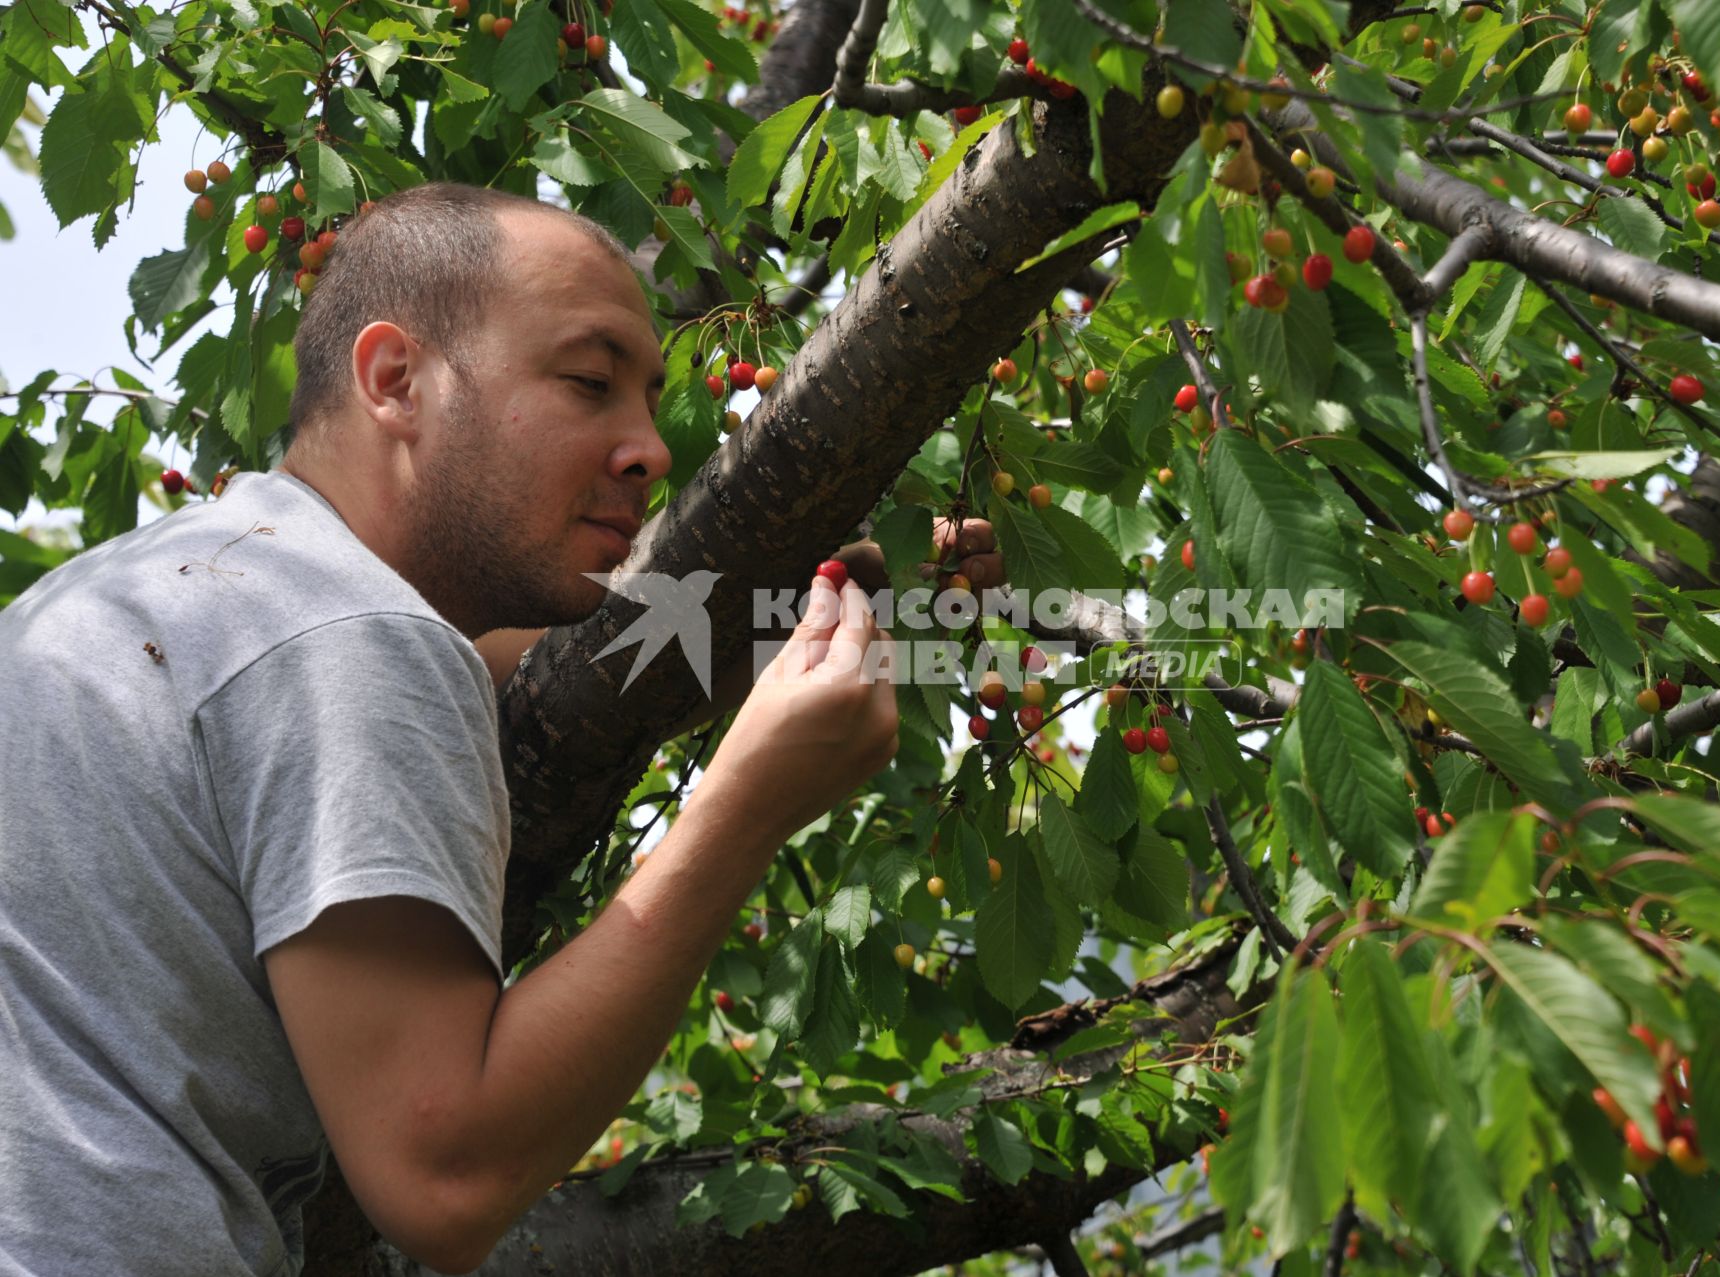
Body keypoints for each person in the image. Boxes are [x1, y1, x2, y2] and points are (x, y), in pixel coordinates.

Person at [0, 182, 1003, 1275]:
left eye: (650, 398)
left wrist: (778, 633)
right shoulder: (349, 639)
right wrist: (747, 801)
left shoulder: (177, 593)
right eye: (589, 382)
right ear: (396, 381)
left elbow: (500, 673)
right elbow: (447, 1175)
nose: (651, 448)